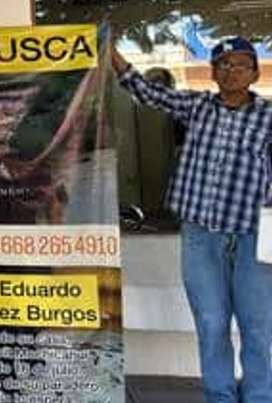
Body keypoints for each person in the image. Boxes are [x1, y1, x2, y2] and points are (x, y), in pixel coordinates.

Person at [112, 37, 271, 403]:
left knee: (258, 327)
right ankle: (220, 396)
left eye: (240, 64)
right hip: (201, 236)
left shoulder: (269, 117)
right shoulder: (196, 106)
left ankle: (260, 396)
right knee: (212, 324)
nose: (231, 71)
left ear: (254, 72)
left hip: (255, 236)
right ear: (213, 72)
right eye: (223, 64)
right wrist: (111, 55)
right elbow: (146, 90)